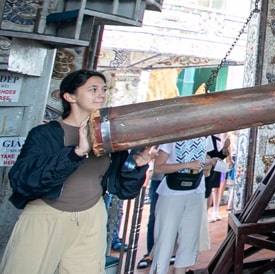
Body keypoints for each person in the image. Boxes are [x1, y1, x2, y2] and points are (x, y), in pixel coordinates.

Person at [0, 69, 154, 274]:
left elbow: (125, 190)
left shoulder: (110, 137)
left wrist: (136, 165)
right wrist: (77, 152)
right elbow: (22, 180)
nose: (101, 94)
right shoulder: (45, 134)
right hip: (45, 217)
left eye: (103, 89)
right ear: (69, 96)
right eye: (93, 89)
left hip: (91, 217)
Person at [150, 136, 214, 274]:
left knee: (189, 238)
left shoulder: (206, 136)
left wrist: (210, 163)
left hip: (196, 189)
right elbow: (159, 167)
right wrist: (186, 165)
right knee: (165, 236)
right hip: (172, 192)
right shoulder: (174, 136)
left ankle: (181, 271)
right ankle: (160, 270)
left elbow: (205, 161)